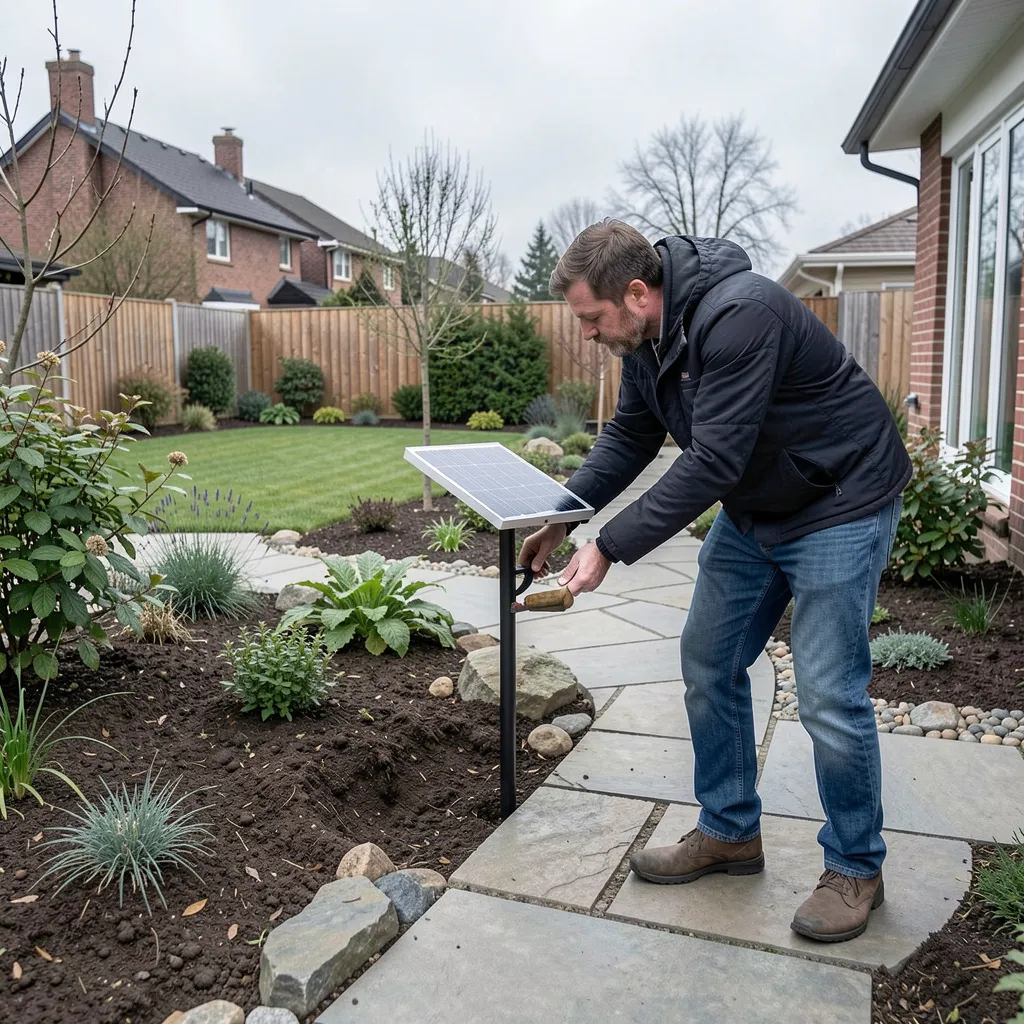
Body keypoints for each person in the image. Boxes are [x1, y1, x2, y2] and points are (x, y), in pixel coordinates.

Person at [520, 221, 911, 944]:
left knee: (828, 694)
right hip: (760, 505)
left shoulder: (742, 314)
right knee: (709, 659)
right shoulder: (648, 338)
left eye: (591, 318)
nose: (587, 334)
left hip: (840, 499)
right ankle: (730, 832)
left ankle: (856, 867)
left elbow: (714, 461)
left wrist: (609, 546)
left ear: (637, 293)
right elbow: (630, 436)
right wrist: (562, 517)